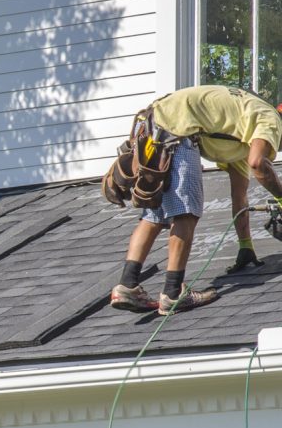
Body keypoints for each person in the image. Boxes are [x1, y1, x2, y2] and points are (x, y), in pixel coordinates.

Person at [110, 85, 282, 315]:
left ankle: (127, 286)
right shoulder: (270, 117)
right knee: (185, 212)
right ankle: (173, 293)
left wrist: (245, 246)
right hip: (178, 132)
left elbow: (239, 195)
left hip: (153, 126)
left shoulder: (241, 133)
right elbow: (258, 164)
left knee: (155, 215)